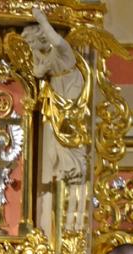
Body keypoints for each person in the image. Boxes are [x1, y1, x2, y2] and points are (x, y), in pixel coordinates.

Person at [22, 8, 89, 233]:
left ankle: (72, 218)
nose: (32, 47)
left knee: (70, 151)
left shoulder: (63, 52)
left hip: (69, 100)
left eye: (33, 42)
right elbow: (37, 71)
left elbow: (58, 42)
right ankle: (60, 211)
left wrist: (42, 19)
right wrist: (38, 63)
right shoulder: (44, 54)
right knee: (52, 153)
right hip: (54, 103)